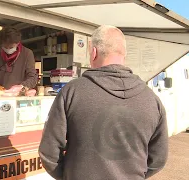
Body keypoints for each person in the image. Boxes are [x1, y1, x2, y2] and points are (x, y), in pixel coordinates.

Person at [38, 25, 168, 180]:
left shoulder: (72, 92)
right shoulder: (152, 100)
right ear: (124, 55)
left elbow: (49, 152)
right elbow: (158, 158)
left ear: (93, 53)